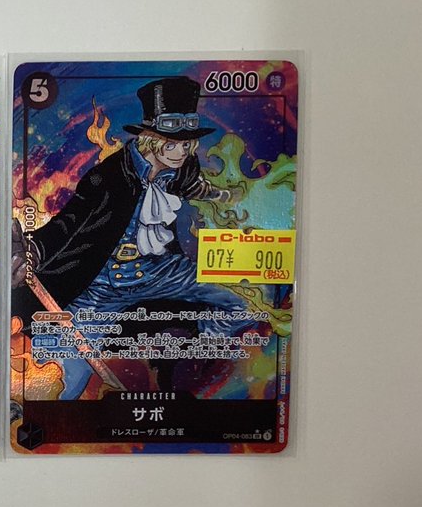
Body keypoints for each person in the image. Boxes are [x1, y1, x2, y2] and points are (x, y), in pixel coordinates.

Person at [13, 77, 252, 399]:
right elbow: (68, 223)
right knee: (65, 378)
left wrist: (224, 196)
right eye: (173, 144)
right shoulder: (108, 177)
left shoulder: (184, 166)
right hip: (102, 284)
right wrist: (34, 250)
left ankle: (192, 357)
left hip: (160, 270)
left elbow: (193, 185)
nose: (181, 152)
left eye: (186, 145)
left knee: (241, 303)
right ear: (151, 140)